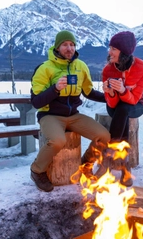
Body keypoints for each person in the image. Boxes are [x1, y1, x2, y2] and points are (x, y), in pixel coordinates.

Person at [30, 30, 111, 192]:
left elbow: (88, 92)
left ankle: (85, 165)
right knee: (58, 141)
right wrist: (55, 89)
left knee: (103, 136)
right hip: (50, 115)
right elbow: (36, 101)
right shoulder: (45, 68)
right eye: (65, 44)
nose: (70, 48)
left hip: (73, 115)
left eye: (72, 45)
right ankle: (37, 170)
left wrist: (110, 97)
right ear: (57, 47)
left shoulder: (80, 66)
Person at [101, 31, 143, 186]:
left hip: (136, 106)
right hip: (115, 107)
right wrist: (110, 93)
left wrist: (123, 90)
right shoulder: (107, 70)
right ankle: (125, 169)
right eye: (110, 48)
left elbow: (134, 99)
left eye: (114, 49)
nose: (109, 52)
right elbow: (112, 104)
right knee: (121, 109)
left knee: (124, 108)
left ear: (124, 52)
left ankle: (108, 158)